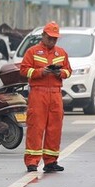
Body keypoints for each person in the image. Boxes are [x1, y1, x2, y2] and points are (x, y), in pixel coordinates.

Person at [19, 21, 73, 173]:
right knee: (36, 127)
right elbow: (24, 70)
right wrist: (40, 72)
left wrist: (60, 73)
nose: (52, 41)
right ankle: (32, 162)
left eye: (55, 38)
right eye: (50, 38)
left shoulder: (61, 53)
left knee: (54, 128)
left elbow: (68, 71)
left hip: (55, 93)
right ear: (43, 36)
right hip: (38, 92)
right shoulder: (32, 52)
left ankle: (51, 161)